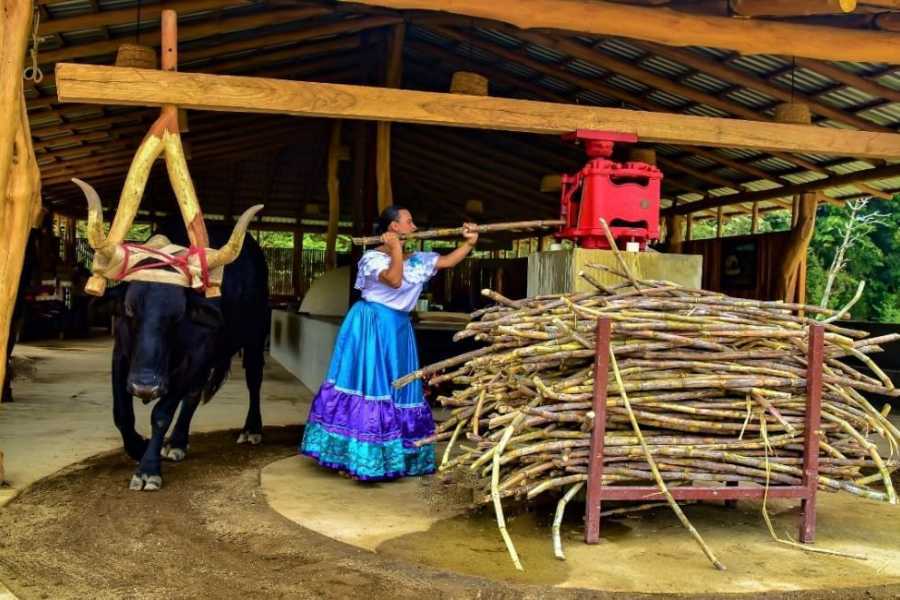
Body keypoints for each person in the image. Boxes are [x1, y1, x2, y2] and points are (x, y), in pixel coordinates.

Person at [299, 206, 478, 481]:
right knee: (369, 388)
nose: (414, 227)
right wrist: (394, 250)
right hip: (371, 327)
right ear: (394, 227)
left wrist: (469, 243)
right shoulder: (371, 259)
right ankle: (356, 458)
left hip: (398, 330)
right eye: (409, 221)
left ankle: (399, 456)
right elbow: (394, 281)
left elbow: (449, 261)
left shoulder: (418, 260)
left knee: (401, 387)